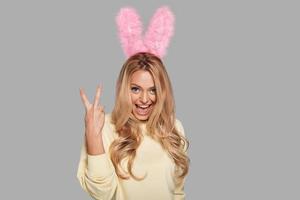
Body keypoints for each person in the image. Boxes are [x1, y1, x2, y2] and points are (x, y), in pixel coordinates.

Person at [77, 6, 190, 200]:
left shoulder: (174, 128)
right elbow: (102, 194)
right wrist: (93, 137)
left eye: (153, 90)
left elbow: (178, 193)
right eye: (135, 89)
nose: (144, 100)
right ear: (123, 89)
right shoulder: (104, 127)